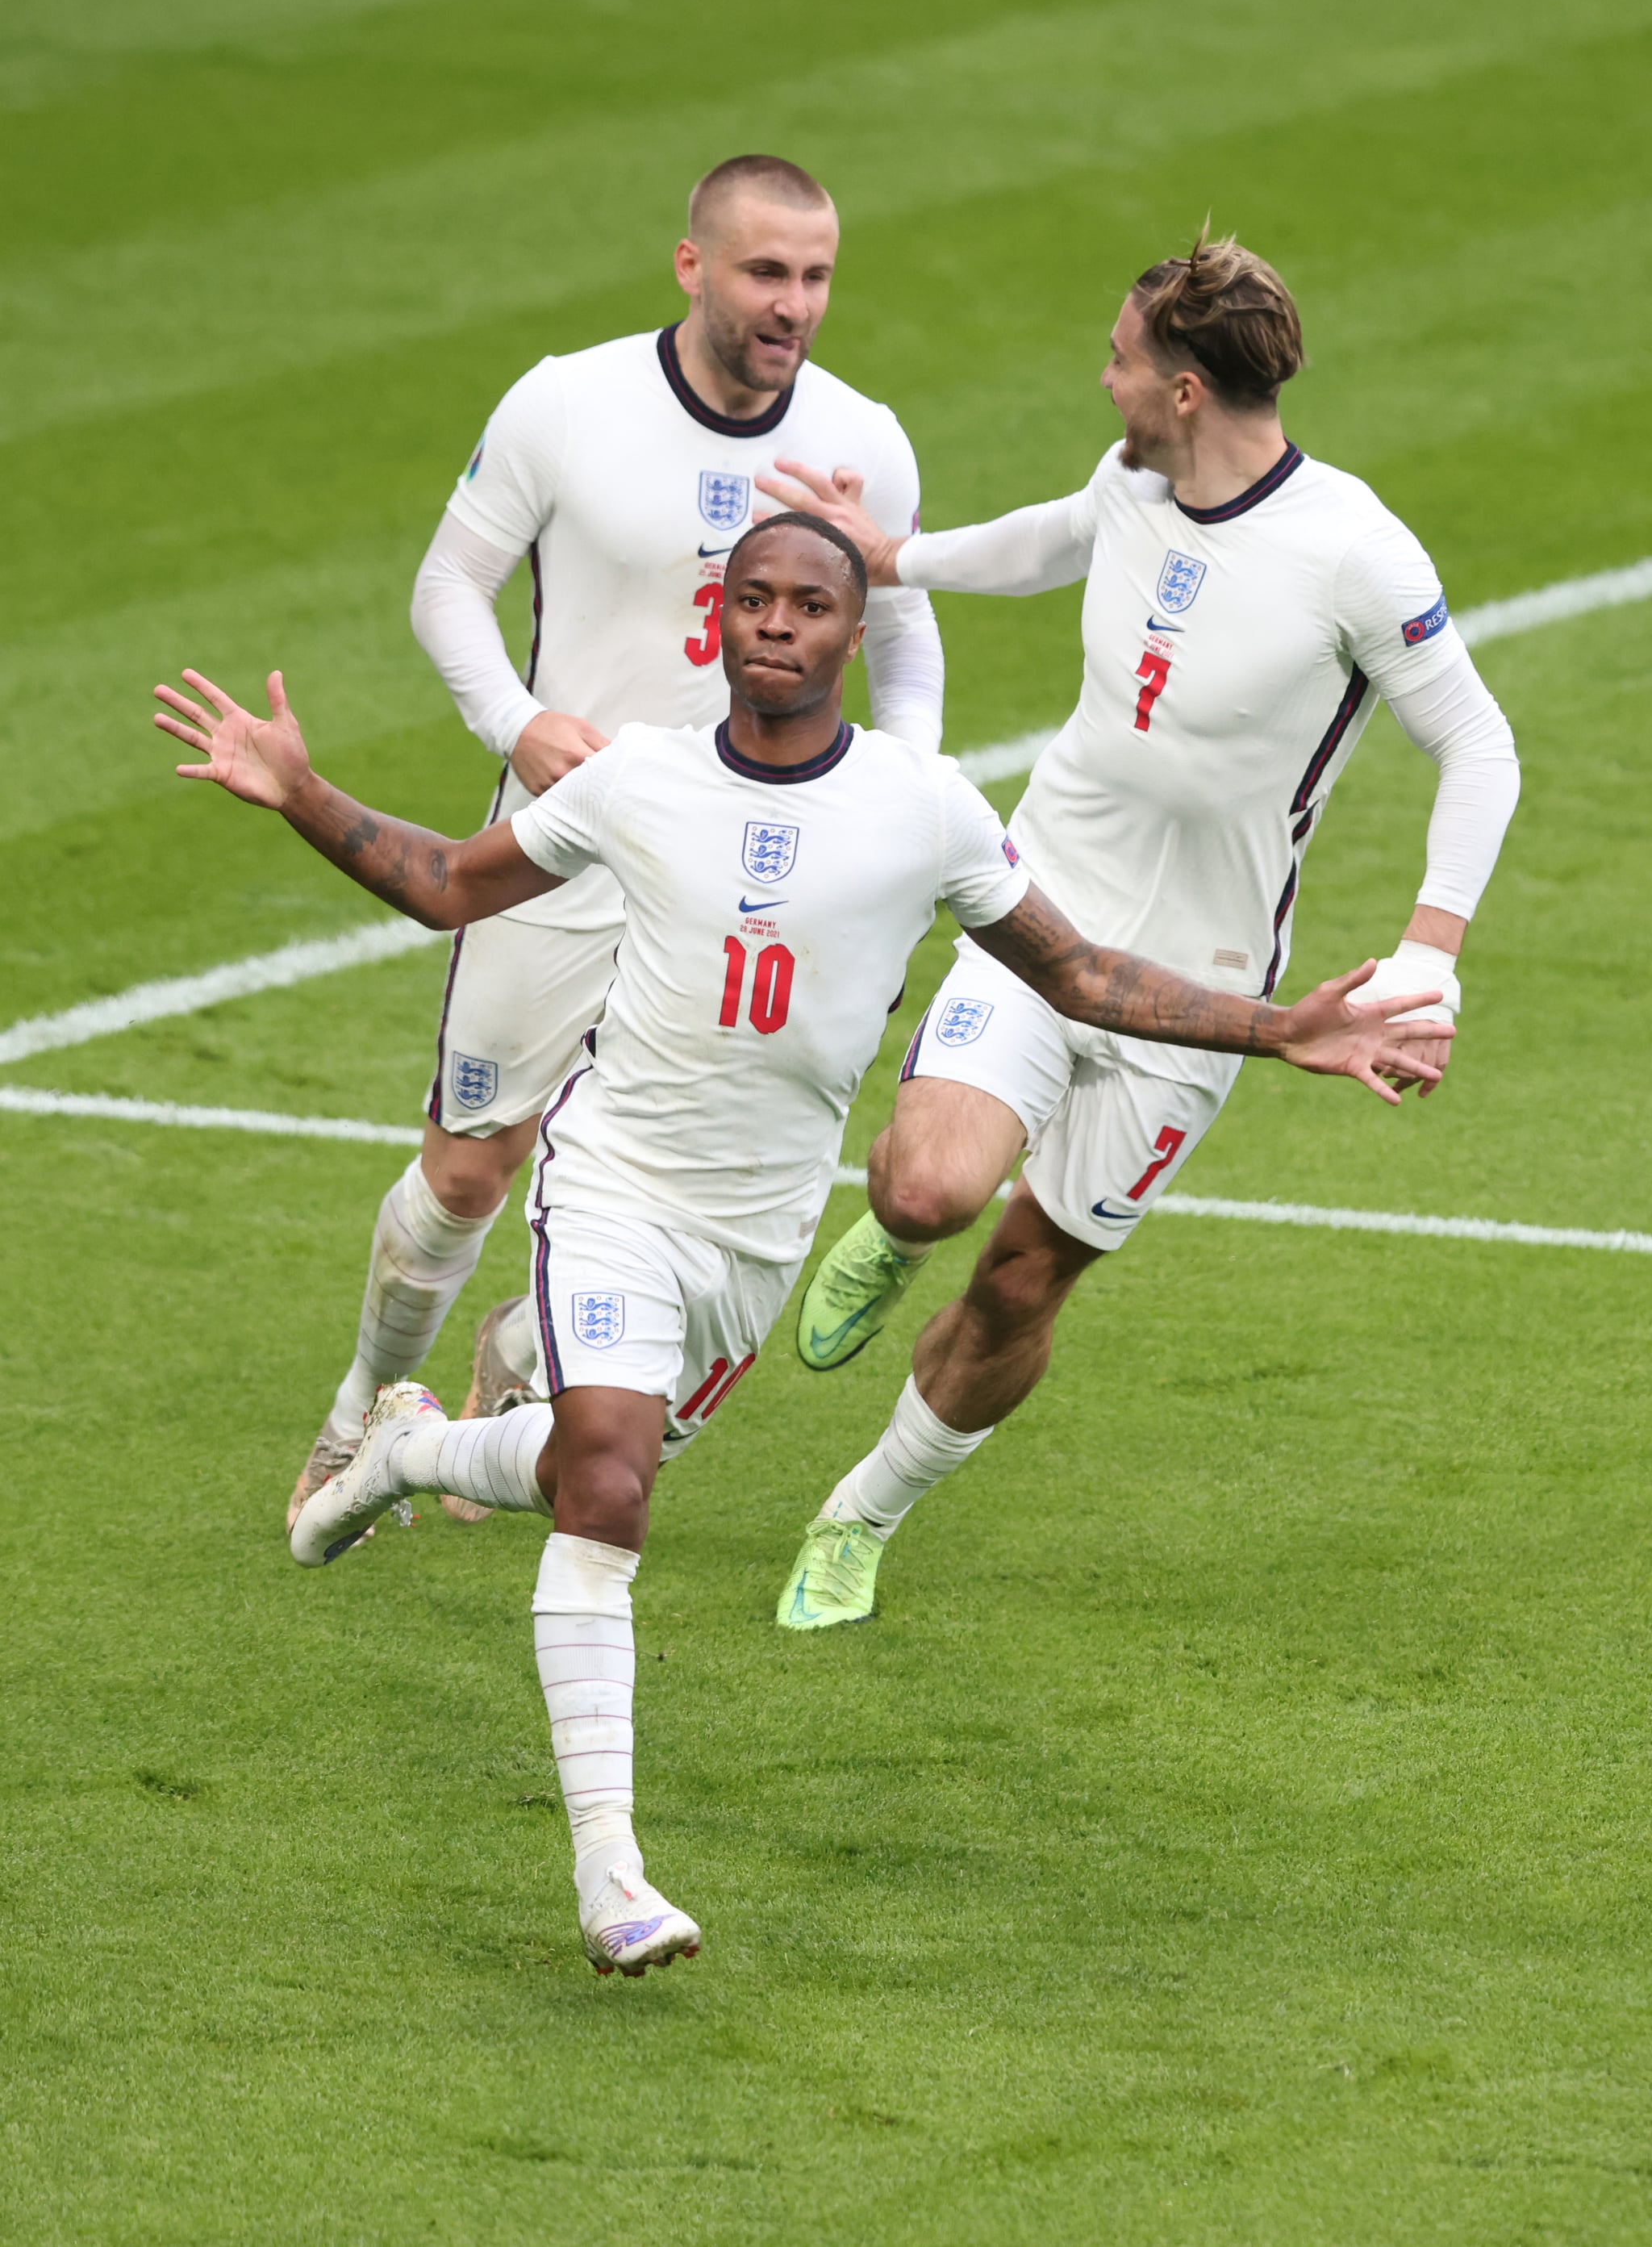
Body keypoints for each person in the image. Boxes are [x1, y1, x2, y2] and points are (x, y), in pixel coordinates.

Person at [153, 516, 1446, 1975]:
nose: (777, 623)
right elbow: (454, 882)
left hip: (760, 1235)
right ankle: (611, 1879)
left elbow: (1078, 972)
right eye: (752, 599)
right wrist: (301, 790)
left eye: (810, 604)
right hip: (616, 1182)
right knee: (612, 1493)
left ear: (849, 633)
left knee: (595, 1462)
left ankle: (401, 1452)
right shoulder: (640, 780)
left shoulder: (925, 806)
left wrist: (1288, 1028)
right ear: (716, 623)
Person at [760, 232, 1519, 1631]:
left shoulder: (1355, 550)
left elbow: (1480, 746)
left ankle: (862, 1513)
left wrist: (1430, 951)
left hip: (1207, 986)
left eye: (1120, 356)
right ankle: (892, 1235)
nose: (1100, 372)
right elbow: (1062, 534)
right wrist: (893, 556)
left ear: (1181, 389)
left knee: (1023, 1280)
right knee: (925, 1189)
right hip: (1041, 908)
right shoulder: (1134, 477)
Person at [289, 152, 944, 1534]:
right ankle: (356, 1416)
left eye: (818, 276)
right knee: (469, 1168)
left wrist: (903, 802)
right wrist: (518, 722)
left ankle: (520, 1370)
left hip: (745, 886)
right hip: (568, 846)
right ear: (693, 265)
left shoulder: (862, 440)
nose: (796, 306)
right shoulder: (566, 401)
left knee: (678, 1177)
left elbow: (904, 640)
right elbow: (449, 586)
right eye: (768, 272)